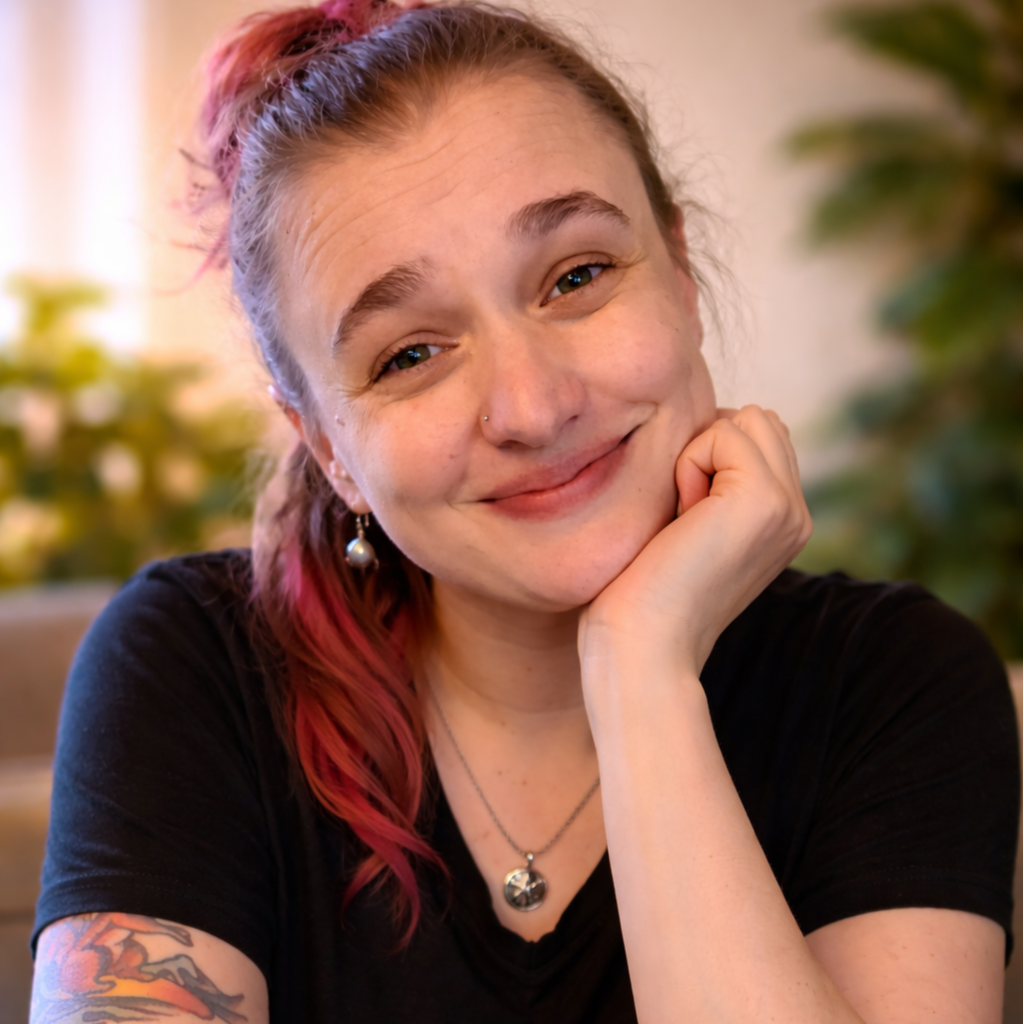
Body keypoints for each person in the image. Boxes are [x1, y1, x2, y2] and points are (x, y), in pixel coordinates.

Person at [28, 2, 1019, 1022]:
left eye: (575, 277)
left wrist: (639, 670)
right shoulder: (195, 670)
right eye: (409, 354)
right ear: (331, 448)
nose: (533, 408)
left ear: (678, 276)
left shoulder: (892, 683)